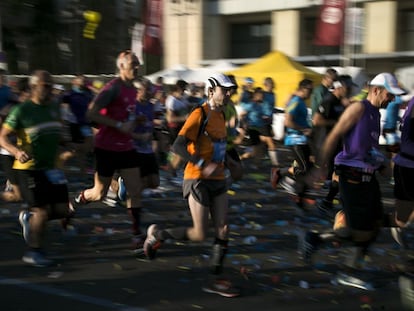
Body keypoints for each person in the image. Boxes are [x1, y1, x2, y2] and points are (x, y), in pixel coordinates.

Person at [301, 73, 405, 287]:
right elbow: (333, 135)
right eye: (389, 94)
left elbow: (368, 147)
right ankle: (344, 269)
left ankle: (318, 241)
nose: (392, 100)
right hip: (352, 175)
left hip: (369, 176)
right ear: (375, 90)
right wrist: (319, 168)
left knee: (374, 226)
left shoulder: (376, 114)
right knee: (362, 232)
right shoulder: (358, 108)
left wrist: (382, 162)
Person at [142, 73, 240, 297]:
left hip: (217, 178)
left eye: (230, 90)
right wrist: (201, 163)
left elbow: (220, 144)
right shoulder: (200, 114)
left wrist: (231, 161)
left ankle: (215, 279)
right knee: (199, 233)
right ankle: (158, 235)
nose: (228, 94)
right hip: (196, 178)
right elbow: (177, 147)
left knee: (224, 227)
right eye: (224, 90)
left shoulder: (223, 114)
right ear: (211, 91)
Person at [0, 70, 75, 267]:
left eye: (51, 85)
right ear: (34, 87)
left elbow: (59, 133)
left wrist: (67, 145)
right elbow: (2, 137)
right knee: (41, 211)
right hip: (28, 168)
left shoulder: (55, 108)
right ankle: (33, 251)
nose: (51, 89)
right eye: (46, 86)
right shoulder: (21, 110)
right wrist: (16, 151)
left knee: (61, 210)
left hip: (50, 167)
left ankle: (30, 219)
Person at [72, 50, 144, 241]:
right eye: (132, 65)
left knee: (135, 191)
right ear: (121, 66)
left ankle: (136, 234)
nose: (136, 68)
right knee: (99, 194)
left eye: (138, 64)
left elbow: (124, 115)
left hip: (126, 147)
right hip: (107, 148)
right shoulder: (112, 88)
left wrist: (135, 121)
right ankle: (75, 201)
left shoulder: (133, 89)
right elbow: (91, 113)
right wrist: (119, 125)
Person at [312, 78, 349, 216]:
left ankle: (329, 199)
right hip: (327, 140)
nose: (348, 90)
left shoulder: (340, 102)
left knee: (337, 169)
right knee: (332, 169)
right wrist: (336, 123)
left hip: (338, 141)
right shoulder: (328, 101)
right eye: (346, 87)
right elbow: (317, 120)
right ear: (338, 88)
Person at [276, 79, 314, 209]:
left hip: (303, 140)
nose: (311, 93)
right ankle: (286, 179)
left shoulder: (301, 102)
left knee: (309, 169)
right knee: (304, 168)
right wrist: (303, 129)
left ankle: (300, 199)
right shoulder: (295, 101)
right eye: (310, 90)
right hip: (295, 140)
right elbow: (288, 122)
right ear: (303, 88)